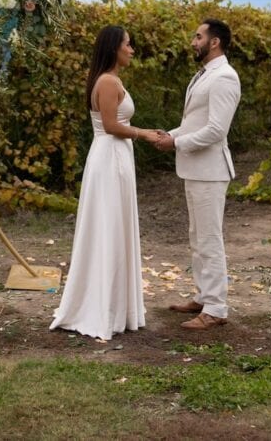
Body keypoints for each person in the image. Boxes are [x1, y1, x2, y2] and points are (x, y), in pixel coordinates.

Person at [50, 25, 160, 340]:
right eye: (128, 44)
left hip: (113, 157)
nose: (132, 49)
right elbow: (111, 125)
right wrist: (144, 133)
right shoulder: (109, 81)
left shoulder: (107, 78)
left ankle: (115, 306)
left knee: (113, 226)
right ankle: (104, 308)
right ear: (114, 47)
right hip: (110, 158)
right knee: (109, 227)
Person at [154, 18, 241, 329]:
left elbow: (217, 130)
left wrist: (175, 142)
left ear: (214, 42)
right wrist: (170, 134)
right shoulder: (204, 75)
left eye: (198, 36)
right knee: (197, 237)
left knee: (209, 239)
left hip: (211, 170)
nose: (193, 42)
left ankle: (216, 309)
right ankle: (204, 296)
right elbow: (196, 122)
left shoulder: (225, 78)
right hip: (195, 169)